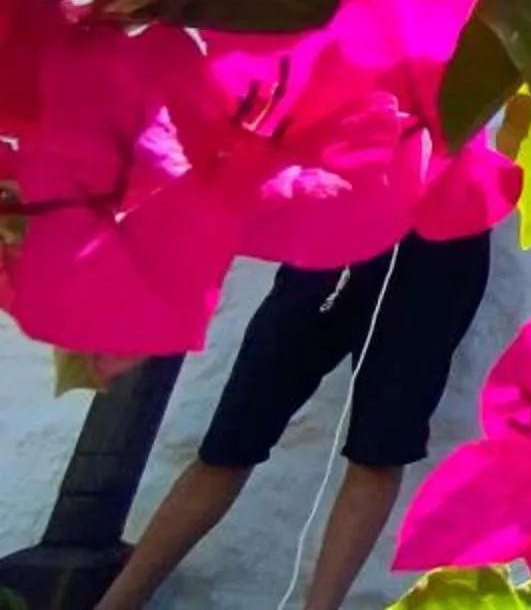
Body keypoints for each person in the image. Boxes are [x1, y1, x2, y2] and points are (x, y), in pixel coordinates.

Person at [93, 229, 492, 610]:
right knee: (231, 439)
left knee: (379, 451)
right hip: (340, 232)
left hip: (440, 259)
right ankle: (117, 602)